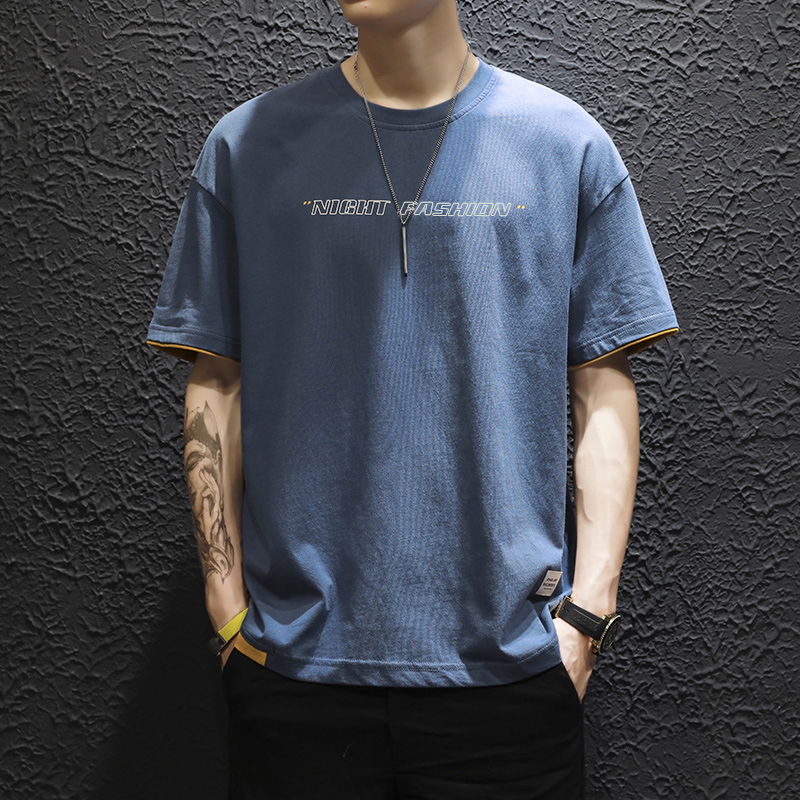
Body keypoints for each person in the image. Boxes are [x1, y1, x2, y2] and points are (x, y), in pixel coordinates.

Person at [145, 1, 680, 797]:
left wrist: (587, 617)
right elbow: (217, 379)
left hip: (511, 673)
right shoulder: (247, 146)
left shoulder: (563, 144)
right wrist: (227, 614)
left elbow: (600, 383)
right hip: (293, 672)